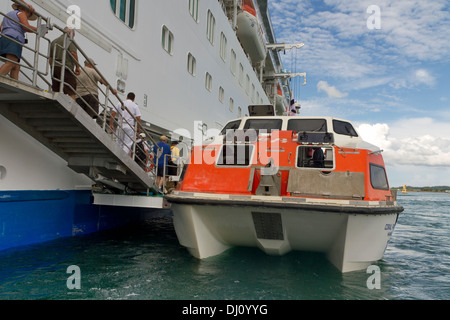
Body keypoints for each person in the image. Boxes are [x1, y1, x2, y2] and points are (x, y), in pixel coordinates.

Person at [0, 2, 37, 80]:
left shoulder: (8, 15)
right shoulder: (21, 13)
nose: (28, 16)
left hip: (5, 37)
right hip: (14, 38)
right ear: (23, 9)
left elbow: (1, 28)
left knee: (16, 65)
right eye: (29, 13)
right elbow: (26, 27)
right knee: (11, 62)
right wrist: (39, 30)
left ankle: (15, 82)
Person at [49, 27, 80, 99]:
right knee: (71, 90)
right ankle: (70, 107)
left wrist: (52, 67)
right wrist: (77, 67)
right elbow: (73, 53)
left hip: (55, 67)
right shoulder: (70, 40)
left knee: (56, 89)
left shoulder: (54, 41)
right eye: (74, 34)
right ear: (71, 33)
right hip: (66, 67)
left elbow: (50, 58)